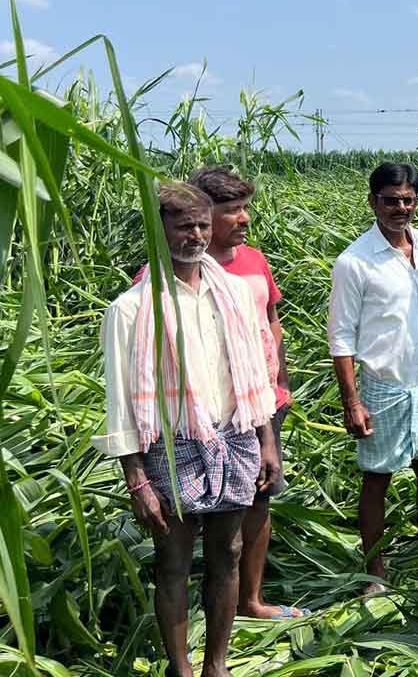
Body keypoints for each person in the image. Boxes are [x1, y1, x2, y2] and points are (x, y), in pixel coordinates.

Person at [97, 182, 279, 677]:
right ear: (161, 232)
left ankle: (216, 667)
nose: (195, 235)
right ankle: (180, 668)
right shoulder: (132, 308)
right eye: (183, 226)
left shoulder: (235, 293)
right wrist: (137, 481)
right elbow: (120, 405)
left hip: (235, 435)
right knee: (174, 561)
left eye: (201, 224)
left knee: (229, 552)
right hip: (169, 446)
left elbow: (255, 375)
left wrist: (266, 442)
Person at [134, 166, 299, 619]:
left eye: (244, 208)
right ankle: (194, 623)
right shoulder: (158, 280)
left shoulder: (254, 262)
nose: (243, 219)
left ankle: (251, 598)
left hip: (256, 406)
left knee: (258, 499)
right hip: (191, 419)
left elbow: (271, 322)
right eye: (231, 211)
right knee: (189, 528)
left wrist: (279, 382)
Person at [327, 162, 418, 591]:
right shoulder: (355, 262)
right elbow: (341, 337)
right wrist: (352, 400)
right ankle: (374, 570)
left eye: (407, 200)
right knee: (377, 477)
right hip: (383, 385)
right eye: (390, 200)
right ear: (373, 202)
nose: (400, 208)